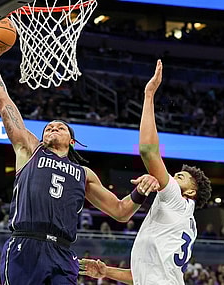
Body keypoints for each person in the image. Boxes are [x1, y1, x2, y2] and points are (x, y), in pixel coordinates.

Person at [0, 50, 160, 285]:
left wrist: (141, 191)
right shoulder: (30, 151)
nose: (53, 127)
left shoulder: (84, 174)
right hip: (26, 245)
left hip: (63, 252)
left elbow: (120, 211)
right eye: (49, 127)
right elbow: (4, 103)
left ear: (72, 141)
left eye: (61, 127)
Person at [79, 60, 212, 285]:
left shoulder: (177, 200)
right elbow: (142, 277)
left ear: (190, 192)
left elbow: (148, 150)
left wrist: (149, 94)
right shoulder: (180, 218)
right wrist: (106, 272)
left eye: (180, 177)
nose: (171, 177)